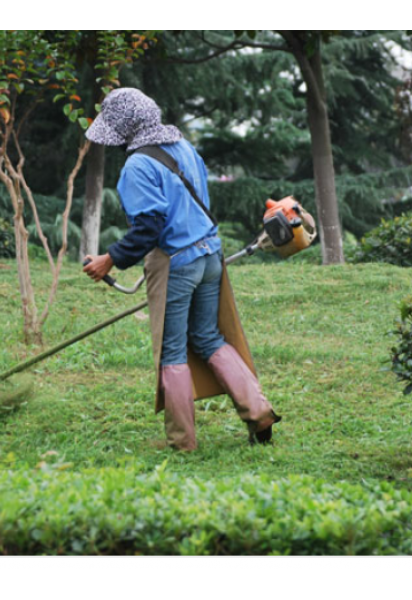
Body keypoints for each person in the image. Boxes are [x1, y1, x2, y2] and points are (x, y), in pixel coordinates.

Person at [82, 88, 279, 450]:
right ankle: (259, 411)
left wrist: (109, 259)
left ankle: (182, 441)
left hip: (179, 264)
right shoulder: (185, 148)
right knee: (207, 337)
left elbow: (148, 229)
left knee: (172, 351)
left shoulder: (138, 166)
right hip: (210, 256)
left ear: (125, 128)